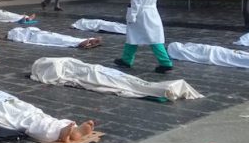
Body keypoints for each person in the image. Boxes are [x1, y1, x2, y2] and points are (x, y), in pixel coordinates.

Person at [31, 57, 203, 101]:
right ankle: (160, 88)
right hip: (91, 71)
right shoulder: (57, 64)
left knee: (124, 80)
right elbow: (62, 76)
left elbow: (59, 75)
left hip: (93, 70)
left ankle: (159, 88)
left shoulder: (59, 62)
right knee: (124, 82)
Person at [114, 0, 174, 73]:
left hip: (141, 14)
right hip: (152, 12)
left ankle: (164, 62)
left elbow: (136, 2)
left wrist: (132, 16)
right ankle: (164, 62)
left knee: (134, 36)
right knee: (153, 37)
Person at [7, 26, 102, 49]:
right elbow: (22, 38)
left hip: (40, 33)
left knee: (61, 37)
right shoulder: (14, 34)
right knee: (58, 40)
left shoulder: (17, 29)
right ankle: (80, 43)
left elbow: (33, 28)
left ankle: (81, 41)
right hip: (36, 37)